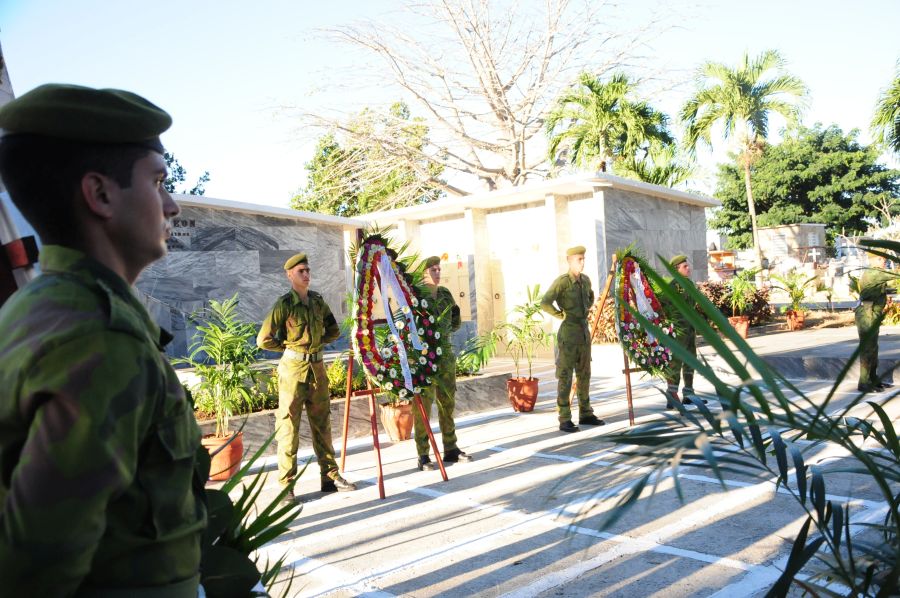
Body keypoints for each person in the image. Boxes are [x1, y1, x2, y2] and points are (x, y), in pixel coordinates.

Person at [0, 84, 207, 596]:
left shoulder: (37, 305)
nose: (172, 205)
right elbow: (40, 567)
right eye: (158, 181)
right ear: (100, 194)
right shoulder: (99, 336)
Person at [257, 253, 357, 500]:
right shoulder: (285, 305)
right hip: (292, 371)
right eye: (301, 271)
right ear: (289, 275)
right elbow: (263, 340)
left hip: (317, 369)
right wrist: (290, 348)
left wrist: (317, 343)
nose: (306, 274)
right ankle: (286, 485)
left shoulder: (317, 302)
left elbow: (333, 329)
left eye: (308, 270)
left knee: (322, 424)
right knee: (288, 427)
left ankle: (330, 476)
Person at [413, 256, 474, 470]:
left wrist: (445, 334)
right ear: (424, 273)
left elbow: (455, 319)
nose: (437, 273)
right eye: (433, 269)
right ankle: (423, 454)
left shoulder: (446, 294)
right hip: (425, 357)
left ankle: (451, 448)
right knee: (423, 406)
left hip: (445, 355)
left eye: (439, 269)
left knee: (447, 403)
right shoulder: (415, 295)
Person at [541, 246, 605, 433]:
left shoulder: (585, 281)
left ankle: (586, 413)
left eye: (583, 259)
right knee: (565, 376)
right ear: (569, 261)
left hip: (583, 333)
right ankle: (564, 417)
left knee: (584, 375)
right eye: (579, 259)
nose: (582, 262)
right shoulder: (562, 282)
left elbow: (590, 298)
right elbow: (545, 302)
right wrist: (560, 315)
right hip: (568, 335)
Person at [662, 254, 707, 409]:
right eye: (684, 266)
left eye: (687, 265)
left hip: (689, 330)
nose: (689, 268)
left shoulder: (689, 284)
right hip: (678, 331)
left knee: (690, 362)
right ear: (676, 269)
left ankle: (689, 394)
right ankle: (671, 395)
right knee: (675, 363)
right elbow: (664, 306)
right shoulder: (673, 286)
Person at [856, 253, 896, 392]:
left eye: (884, 259)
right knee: (868, 349)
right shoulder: (875, 273)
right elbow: (895, 276)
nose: (884, 261)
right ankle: (864, 383)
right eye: (881, 259)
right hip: (867, 313)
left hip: (872, 312)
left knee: (873, 348)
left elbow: (884, 288)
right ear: (873, 260)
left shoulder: (873, 273)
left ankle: (873, 379)